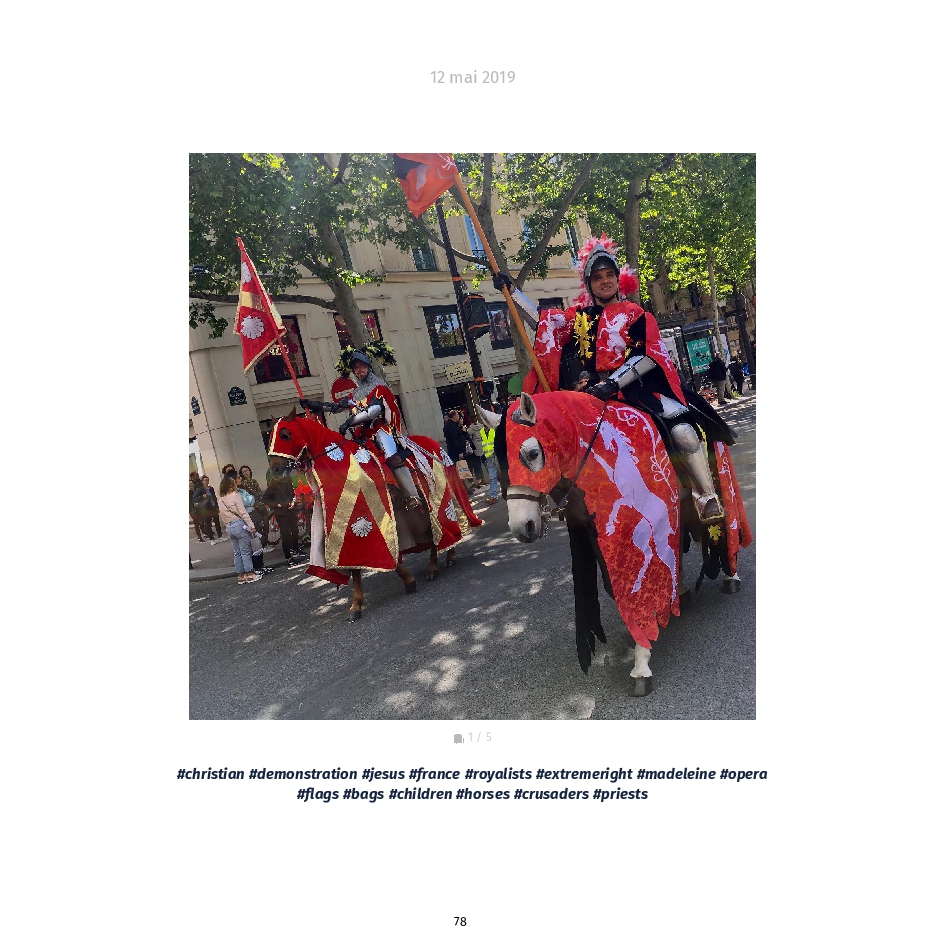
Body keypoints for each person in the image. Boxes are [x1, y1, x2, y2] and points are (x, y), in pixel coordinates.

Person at [495, 234, 733, 525]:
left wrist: (613, 383)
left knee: (683, 431)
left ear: (618, 279)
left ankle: (706, 496)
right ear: (589, 284)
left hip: (638, 391)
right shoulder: (579, 318)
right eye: (597, 277)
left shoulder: (637, 314)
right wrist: (512, 292)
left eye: (609, 275)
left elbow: (648, 355)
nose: (604, 281)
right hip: (591, 397)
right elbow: (543, 323)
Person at [302, 350, 422, 510]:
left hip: (380, 429)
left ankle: (412, 496)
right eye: (356, 368)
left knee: (390, 455)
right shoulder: (355, 394)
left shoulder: (379, 387)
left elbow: (373, 411)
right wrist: (313, 404)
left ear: (368, 367)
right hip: (362, 435)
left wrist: (348, 422)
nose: (359, 370)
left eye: (361, 366)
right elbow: (336, 407)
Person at [217, 475, 261, 585]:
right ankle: (250, 574)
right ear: (231, 485)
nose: (236, 485)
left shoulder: (221, 499)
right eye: (234, 483)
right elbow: (243, 512)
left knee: (237, 552)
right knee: (245, 551)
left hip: (229, 526)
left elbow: (222, 516)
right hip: (239, 525)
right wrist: (251, 526)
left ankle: (240, 576)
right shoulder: (235, 496)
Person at [262, 463, 306, 567]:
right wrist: (277, 504)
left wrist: (292, 502)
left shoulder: (287, 482)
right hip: (281, 513)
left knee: (295, 531)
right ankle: (288, 557)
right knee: (286, 535)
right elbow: (265, 499)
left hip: (290, 510)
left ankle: (296, 550)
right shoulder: (273, 486)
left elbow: (292, 494)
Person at [237, 475, 273, 576]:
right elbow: (247, 501)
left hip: (253, 514)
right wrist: (250, 499)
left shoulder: (243, 489)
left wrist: (250, 500)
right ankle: (256, 566)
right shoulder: (236, 493)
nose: (240, 479)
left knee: (258, 541)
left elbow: (252, 499)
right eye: (238, 477)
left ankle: (261, 565)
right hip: (248, 518)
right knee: (253, 543)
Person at [238, 465, 268, 546]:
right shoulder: (244, 483)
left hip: (261, 504)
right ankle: (262, 544)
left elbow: (259, 492)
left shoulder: (253, 480)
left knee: (265, 524)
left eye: (247, 470)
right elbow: (252, 494)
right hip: (254, 507)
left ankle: (265, 542)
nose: (246, 473)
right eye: (244, 472)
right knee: (259, 526)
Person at [478, 414, 500, 505]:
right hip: (489, 457)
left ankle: (508, 492)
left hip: (496, 455)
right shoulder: (481, 431)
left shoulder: (493, 429)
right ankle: (494, 496)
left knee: (501, 475)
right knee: (492, 477)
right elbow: (483, 444)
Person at [464, 414, 488, 487]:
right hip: (484, 446)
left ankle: (481, 479)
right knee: (487, 463)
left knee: (478, 465)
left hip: (476, 448)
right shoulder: (481, 426)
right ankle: (492, 476)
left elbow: (469, 439)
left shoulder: (470, 430)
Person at [200, 475, 223, 541]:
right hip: (206, 509)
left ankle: (220, 536)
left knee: (217, 522)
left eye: (207, 480)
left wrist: (217, 506)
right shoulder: (200, 490)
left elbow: (214, 497)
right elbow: (196, 499)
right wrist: (202, 497)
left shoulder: (211, 488)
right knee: (208, 523)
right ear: (202, 481)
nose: (206, 482)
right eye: (205, 480)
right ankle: (211, 538)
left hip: (213, 507)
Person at [189, 472, 209, 542]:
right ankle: (199, 536)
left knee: (201, 520)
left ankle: (204, 532)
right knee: (196, 522)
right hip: (192, 508)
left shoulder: (198, 485)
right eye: (190, 485)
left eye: (192, 485)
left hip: (198, 506)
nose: (191, 486)